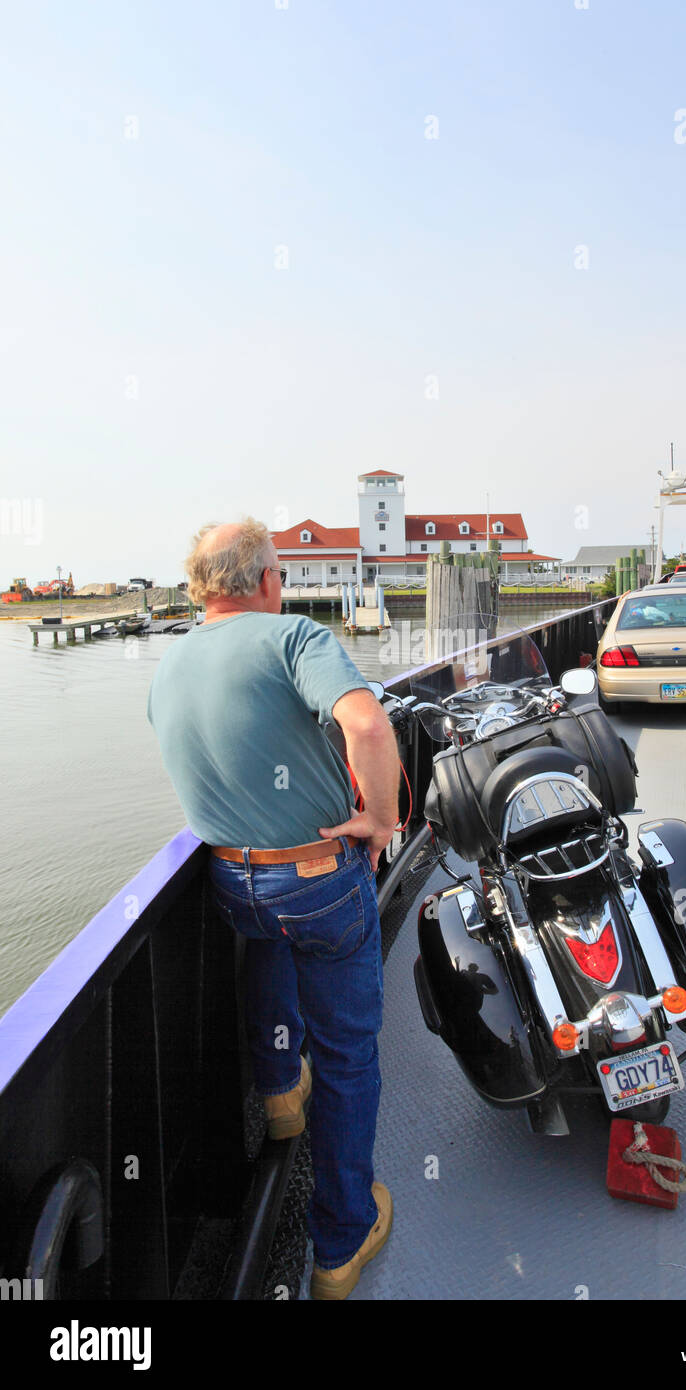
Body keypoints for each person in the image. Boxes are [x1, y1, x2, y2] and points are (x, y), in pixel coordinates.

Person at [146, 518, 400, 1300]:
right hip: (317, 880)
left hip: (232, 883)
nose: (283, 586)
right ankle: (340, 1242)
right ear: (261, 581)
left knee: (269, 941)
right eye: (281, 573)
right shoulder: (291, 637)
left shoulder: (169, 661)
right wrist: (382, 821)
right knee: (350, 1056)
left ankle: (281, 1096)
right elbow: (366, 723)